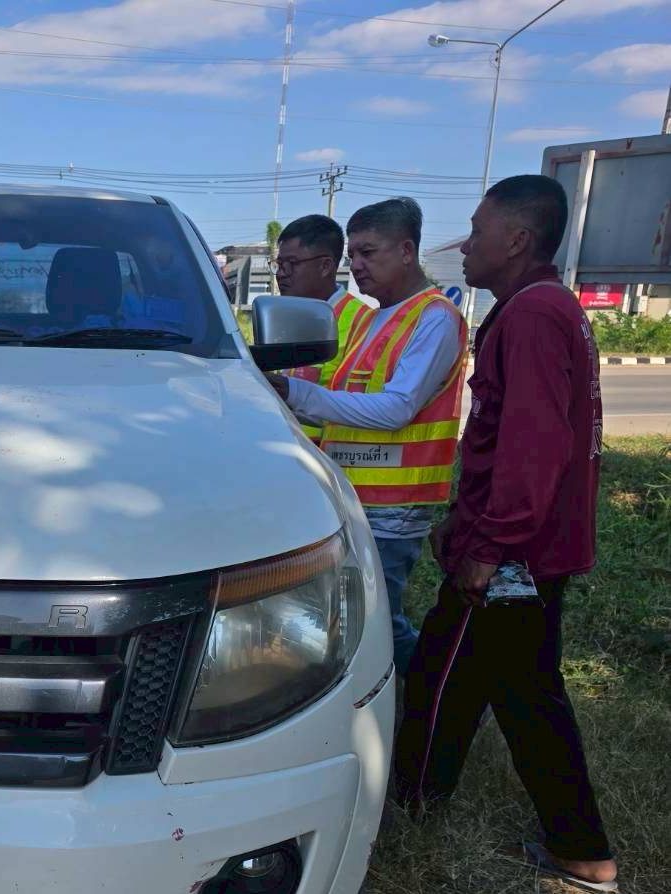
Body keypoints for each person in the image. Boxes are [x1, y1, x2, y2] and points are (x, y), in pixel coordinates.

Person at [394, 175, 617, 891]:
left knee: (483, 687)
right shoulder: (544, 307)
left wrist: (487, 546)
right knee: (472, 676)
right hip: (520, 546)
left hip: (514, 555)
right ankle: (422, 799)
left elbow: (531, 450)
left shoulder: (531, 316)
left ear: (517, 240)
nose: (465, 245)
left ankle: (578, 851)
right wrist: (463, 522)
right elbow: (510, 442)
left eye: (477, 230)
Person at [267, 198, 466, 675]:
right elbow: (345, 404)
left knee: (375, 619)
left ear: (406, 251)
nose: (355, 265)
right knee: (350, 614)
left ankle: (438, 686)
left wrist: (297, 393)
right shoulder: (376, 318)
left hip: (393, 504)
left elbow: (397, 408)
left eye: (368, 253)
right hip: (354, 493)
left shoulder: (434, 318)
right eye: (353, 253)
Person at [274, 214, 377, 442]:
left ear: (325, 266)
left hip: (325, 457)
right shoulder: (284, 317)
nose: (281, 273)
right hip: (284, 448)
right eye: (279, 264)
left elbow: (360, 408)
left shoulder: (364, 323)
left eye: (291, 264)